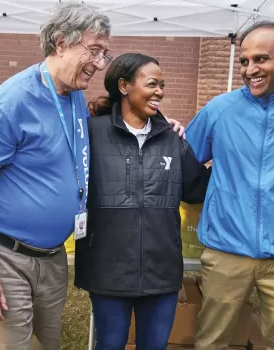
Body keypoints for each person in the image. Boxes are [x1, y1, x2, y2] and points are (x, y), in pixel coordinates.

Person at [0, 1, 111, 350]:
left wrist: (161, 123)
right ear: (61, 43)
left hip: (51, 257)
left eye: (105, 54)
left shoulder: (73, 96)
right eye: (94, 50)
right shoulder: (11, 103)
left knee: (45, 344)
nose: (100, 64)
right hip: (3, 255)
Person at [75, 53, 211, 350]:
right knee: (109, 344)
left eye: (162, 85)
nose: (160, 91)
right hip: (107, 269)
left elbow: (199, 190)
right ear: (124, 86)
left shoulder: (172, 139)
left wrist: (231, 157)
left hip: (161, 271)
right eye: (152, 84)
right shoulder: (90, 134)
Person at [185, 21, 274, 350]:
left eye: (261, 59)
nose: (250, 69)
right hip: (226, 251)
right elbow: (183, 163)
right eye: (244, 61)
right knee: (211, 342)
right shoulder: (220, 110)